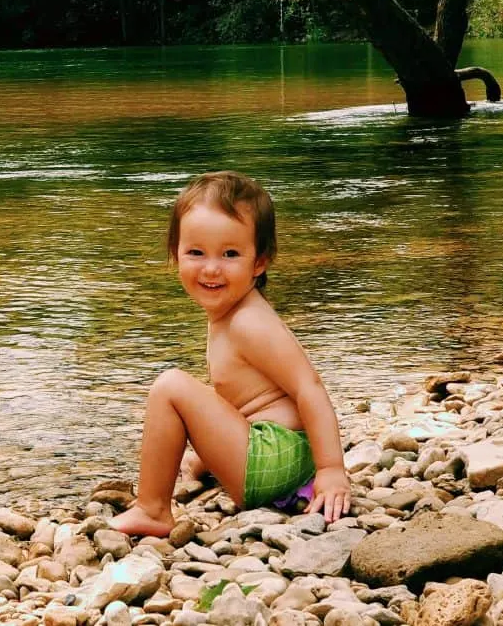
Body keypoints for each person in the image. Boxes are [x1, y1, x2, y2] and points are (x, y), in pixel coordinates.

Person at [108, 171, 351, 537]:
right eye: (196, 252)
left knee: (170, 386)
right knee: (203, 405)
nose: (210, 268)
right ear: (175, 254)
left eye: (230, 254)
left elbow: (308, 387)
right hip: (280, 458)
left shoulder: (248, 322)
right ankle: (210, 465)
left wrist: (332, 469)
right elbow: (240, 395)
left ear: (259, 262)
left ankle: (153, 509)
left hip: (277, 460)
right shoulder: (231, 312)